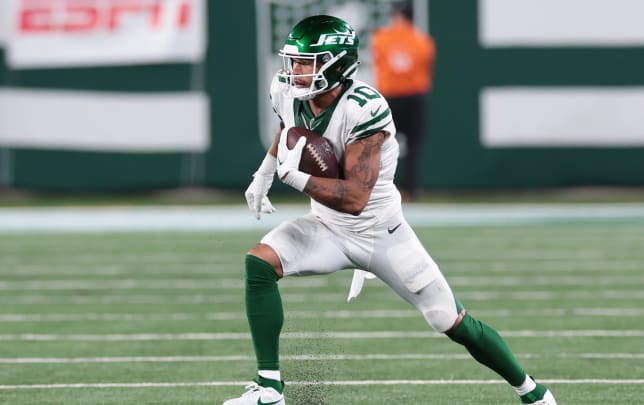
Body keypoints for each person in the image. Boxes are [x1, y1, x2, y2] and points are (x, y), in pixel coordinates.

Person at [225, 15, 556, 405]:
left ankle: (532, 392)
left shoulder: (364, 108)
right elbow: (290, 129)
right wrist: (264, 172)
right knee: (259, 264)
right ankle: (270, 389)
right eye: (294, 62)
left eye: (307, 62)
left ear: (337, 63)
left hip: (380, 232)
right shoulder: (285, 89)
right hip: (326, 227)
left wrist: (293, 177)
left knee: (450, 321)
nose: (296, 71)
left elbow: (355, 198)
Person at [371, 1, 435, 201]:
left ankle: (381, 190)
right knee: (413, 146)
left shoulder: (381, 38)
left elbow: (379, 60)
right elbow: (426, 67)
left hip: (390, 98)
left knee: (382, 145)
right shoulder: (423, 41)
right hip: (414, 97)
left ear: (397, 15)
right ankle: (410, 190)